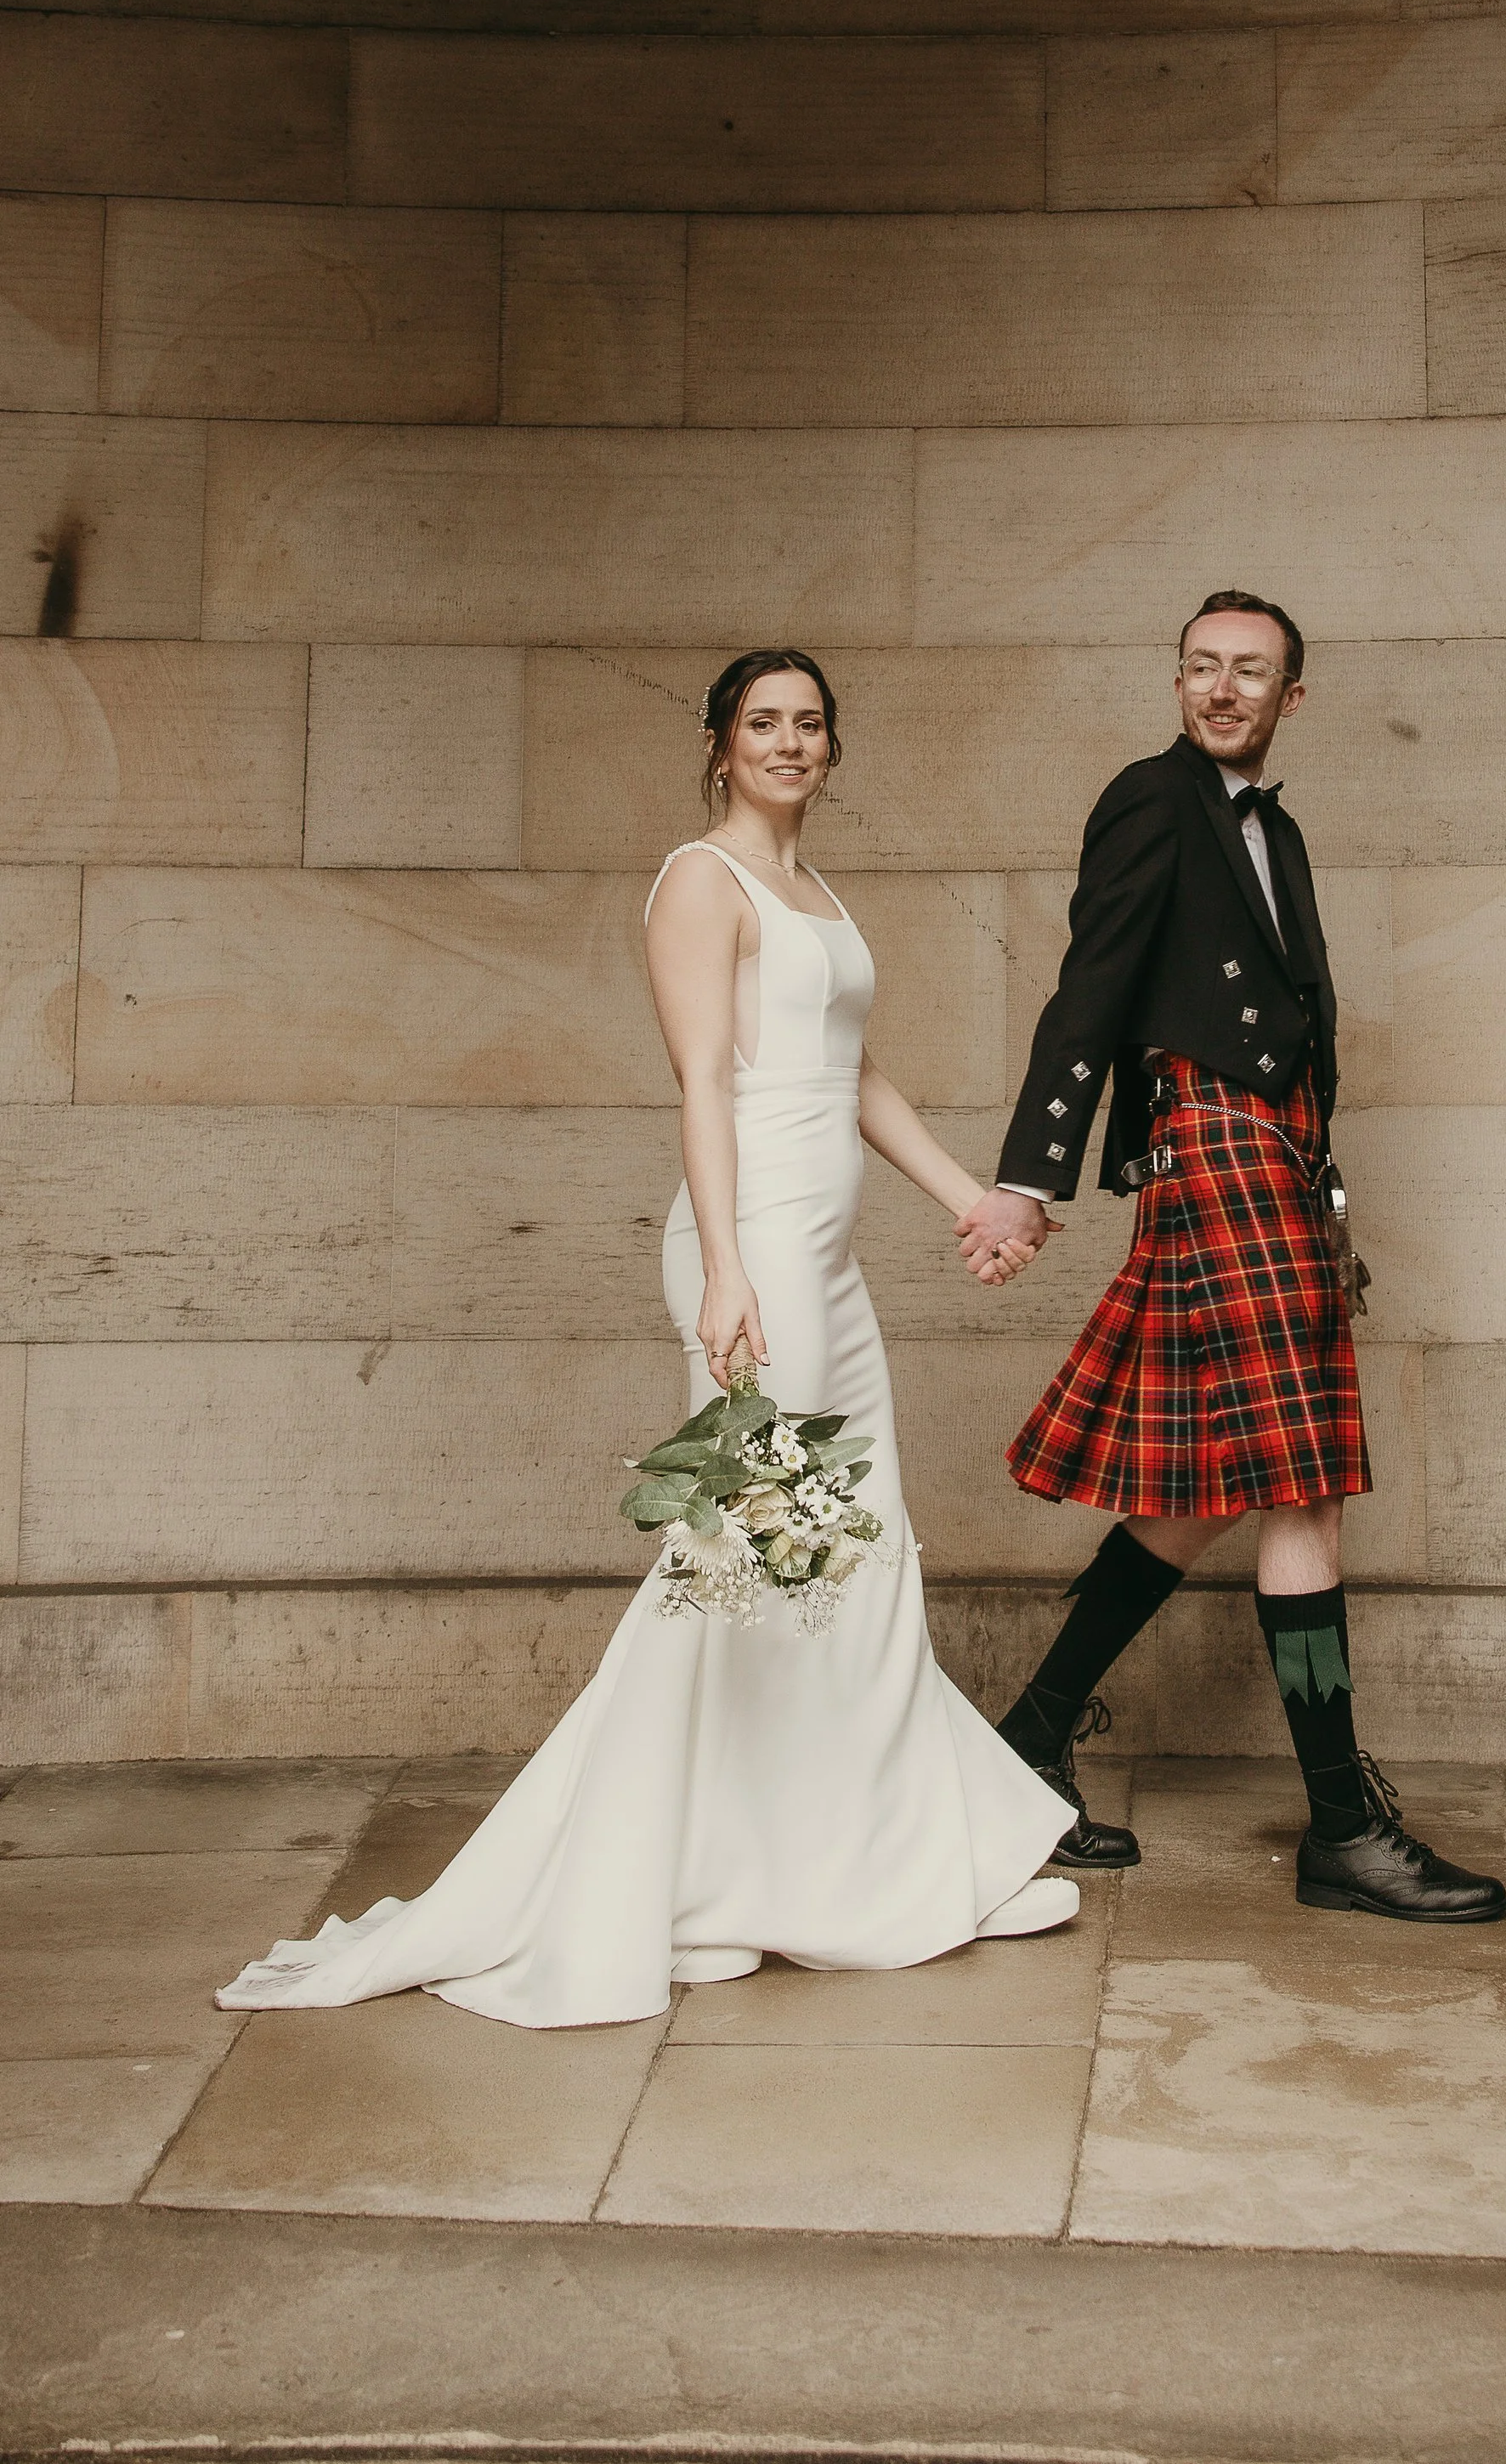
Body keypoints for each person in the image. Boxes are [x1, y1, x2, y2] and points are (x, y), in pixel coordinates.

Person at [218, 649, 1076, 2026]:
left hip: (827, 1265)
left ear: (830, 747)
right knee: (742, 1558)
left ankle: (836, 1862)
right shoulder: (701, 880)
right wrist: (726, 1271)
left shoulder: (816, 892)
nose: (789, 743)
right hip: (758, 1259)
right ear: (721, 743)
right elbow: (702, 1083)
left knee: (841, 1553)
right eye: (763, 723)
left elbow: (850, 1073)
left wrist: (971, 1195)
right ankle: (663, 1874)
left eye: (809, 724)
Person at [956, 591, 1506, 1925]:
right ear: (1178, 680)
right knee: (1303, 1480)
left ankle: (1026, 1733)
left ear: (1290, 696)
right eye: (1201, 666)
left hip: (1274, 1155)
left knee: (1213, 1485)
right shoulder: (1152, 797)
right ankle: (1340, 1829)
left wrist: (1323, 1167)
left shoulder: (1282, 831)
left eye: (1248, 671)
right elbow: (1088, 986)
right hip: (1218, 1149)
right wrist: (1029, 1177)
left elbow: (1297, 1024)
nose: (1220, 688)